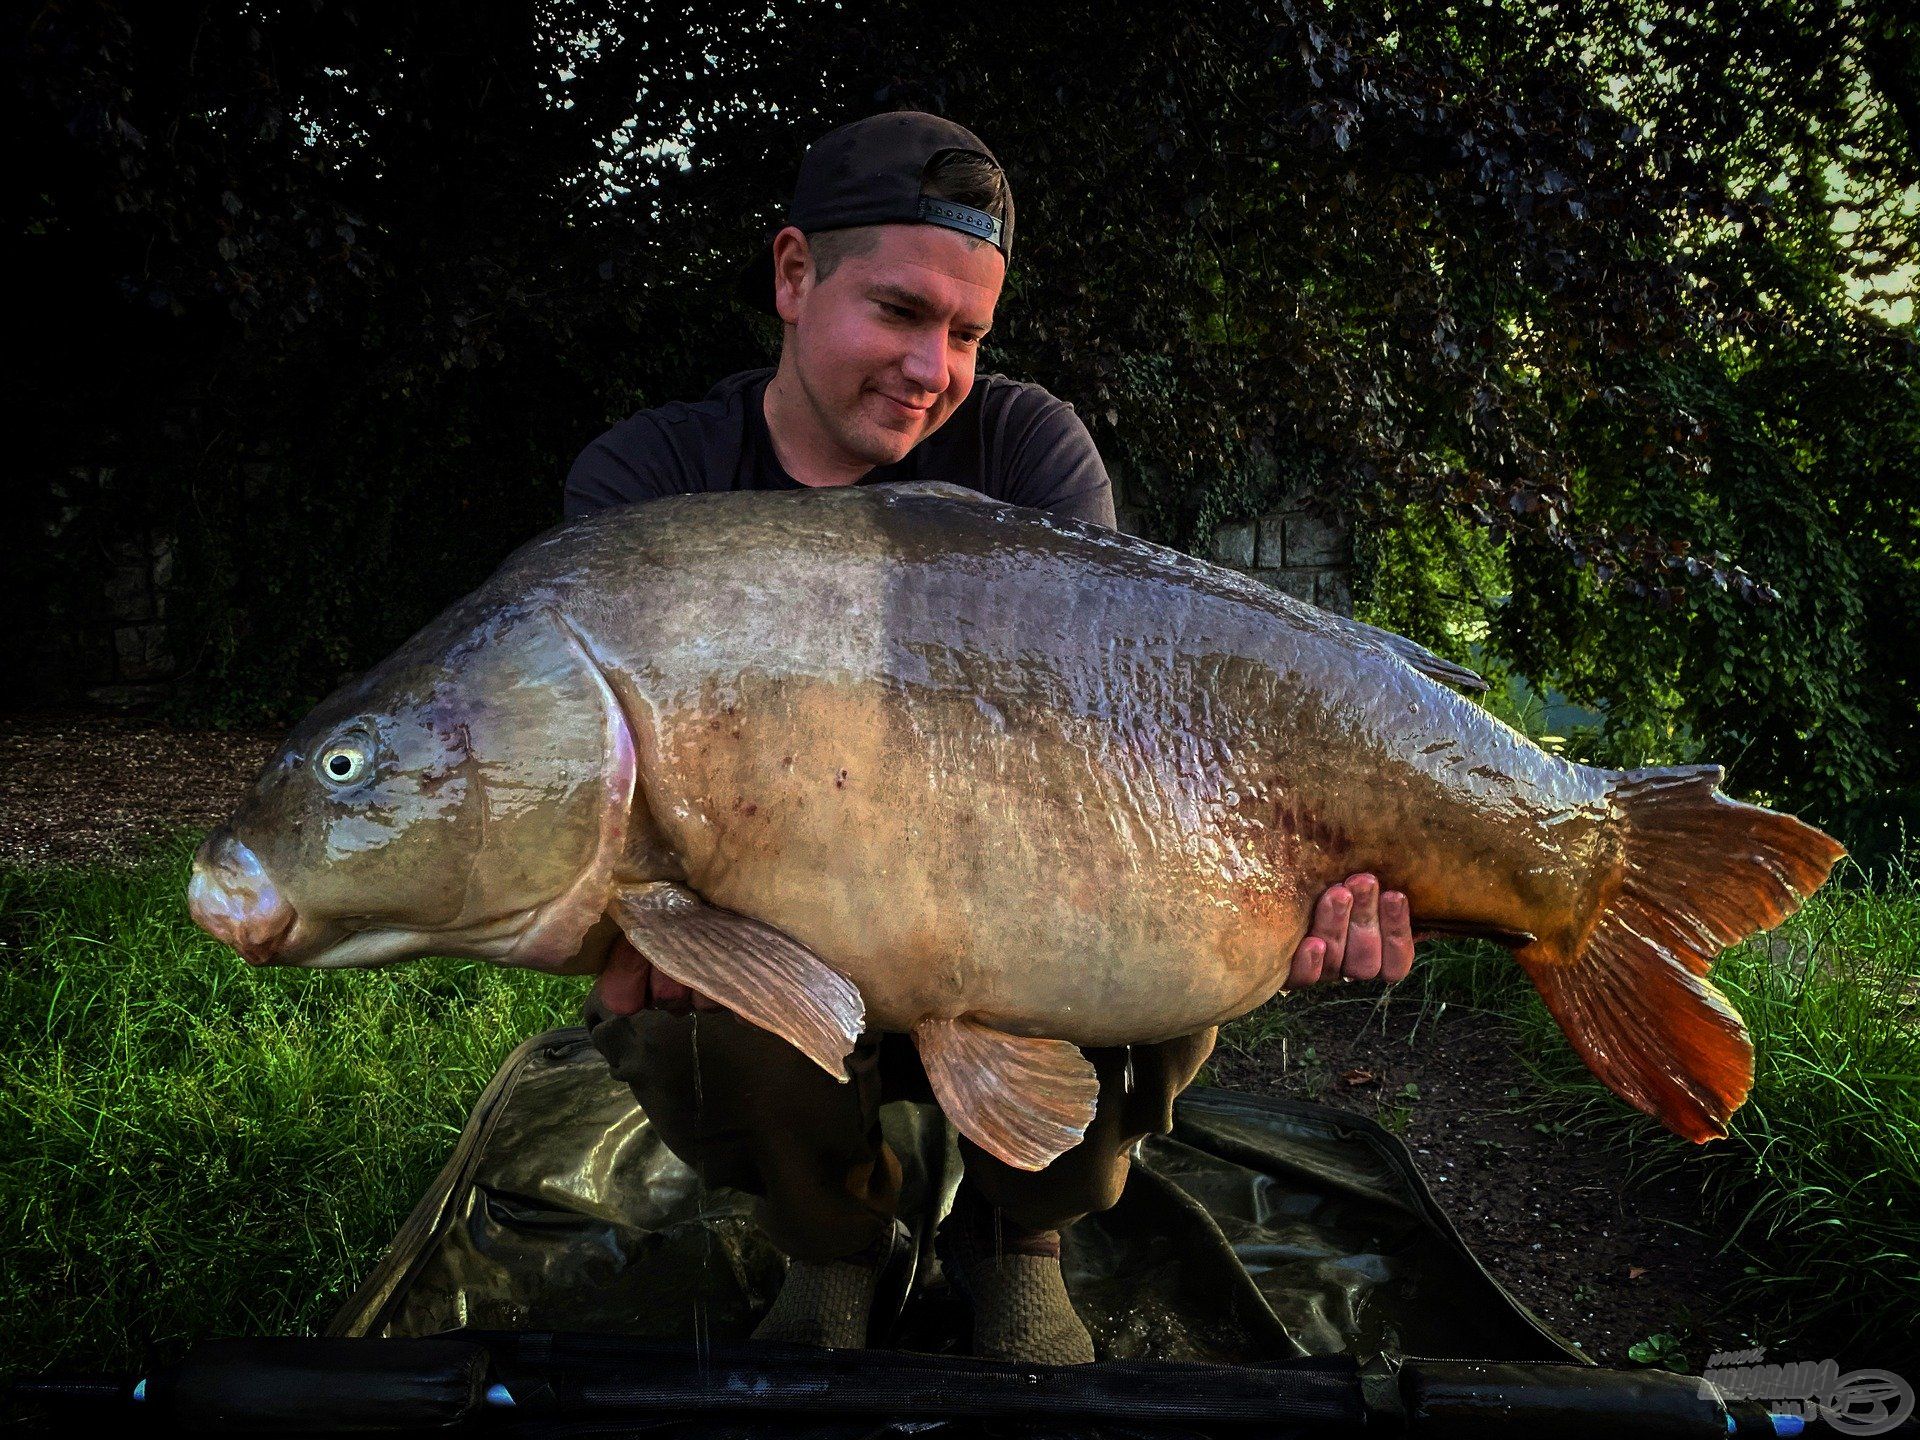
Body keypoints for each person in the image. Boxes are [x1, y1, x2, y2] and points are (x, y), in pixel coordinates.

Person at [565, 112, 1418, 1365]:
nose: (934, 366)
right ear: (794, 275)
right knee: (673, 976)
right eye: (901, 314)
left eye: (967, 333)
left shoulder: (1027, 446)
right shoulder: (650, 483)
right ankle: (831, 1250)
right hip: (785, 928)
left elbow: (1121, 738)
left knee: (1158, 909)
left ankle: (1022, 1240)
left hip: (1009, 893)